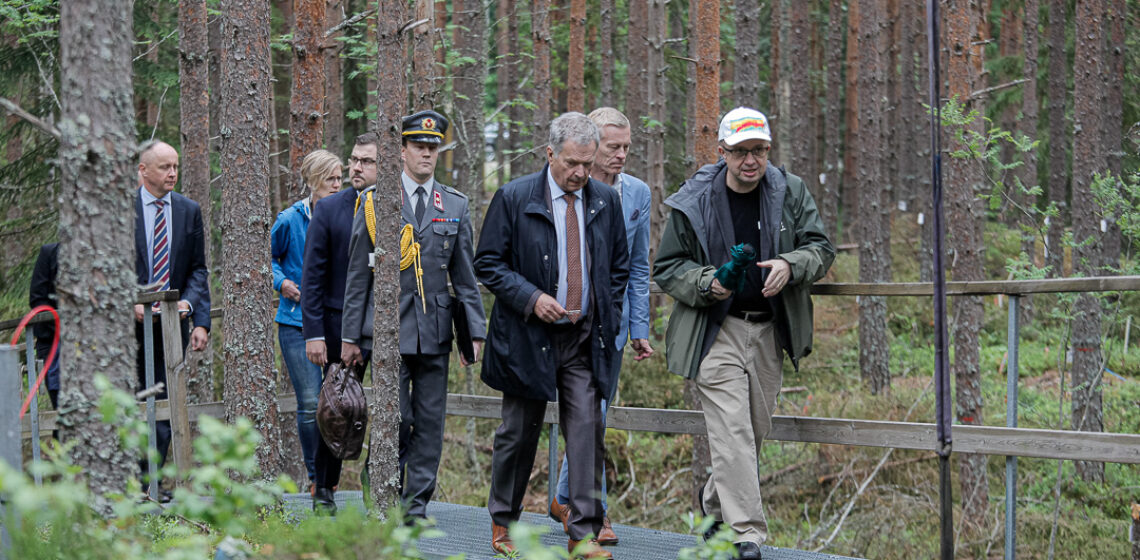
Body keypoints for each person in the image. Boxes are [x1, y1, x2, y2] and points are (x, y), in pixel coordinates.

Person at [653, 107, 834, 560]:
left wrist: (792, 265)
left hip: (770, 331)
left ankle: (712, 504)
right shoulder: (695, 199)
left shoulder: (789, 191)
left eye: (759, 151)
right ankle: (748, 535)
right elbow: (668, 267)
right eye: (740, 152)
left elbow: (821, 248)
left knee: (752, 431)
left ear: (769, 150)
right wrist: (708, 283)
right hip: (716, 331)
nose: (750, 160)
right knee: (734, 429)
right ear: (722, 152)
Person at [476, 112, 629, 560]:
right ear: (549, 154)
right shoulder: (513, 196)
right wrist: (531, 297)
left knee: (586, 432)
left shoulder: (604, 201)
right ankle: (503, 523)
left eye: (587, 162)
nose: (580, 172)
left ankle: (582, 534)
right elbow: (488, 264)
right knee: (517, 434)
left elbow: (618, 267)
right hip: (527, 338)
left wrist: (607, 312)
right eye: (571, 163)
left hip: (583, 339)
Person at [340, 110, 486, 522]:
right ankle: (380, 491)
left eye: (432, 147)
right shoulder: (376, 202)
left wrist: (475, 330)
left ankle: (416, 506)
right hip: (388, 330)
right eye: (419, 147)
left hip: (436, 331)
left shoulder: (453, 203)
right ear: (402, 150)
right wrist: (351, 337)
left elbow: (464, 273)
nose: (426, 154)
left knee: (430, 425)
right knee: (396, 419)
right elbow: (356, 275)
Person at [550, 107, 653, 546]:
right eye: (613, 147)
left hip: (612, 323)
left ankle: (568, 499)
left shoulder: (638, 194)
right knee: (584, 414)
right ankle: (590, 507)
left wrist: (639, 327)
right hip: (564, 318)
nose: (621, 155)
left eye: (627, 147)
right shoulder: (570, 188)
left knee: (596, 414)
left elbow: (637, 266)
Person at [301, 132, 379, 512]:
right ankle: (325, 488)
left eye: (366, 161)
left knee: (403, 412)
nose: (355, 167)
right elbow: (311, 278)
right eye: (353, 159)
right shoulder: (330, 209)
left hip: (392, 328)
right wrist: (314, 333)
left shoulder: (402, 209)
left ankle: (380, 480)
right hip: (336, 329)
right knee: (334, 409)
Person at [133, 140, 211, 481]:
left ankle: (149, 480)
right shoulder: (121, 210)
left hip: (171, 325)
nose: (173, 173)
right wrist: (128, 300)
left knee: (166, 402)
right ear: (143, 170)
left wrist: (196, 315)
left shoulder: (187, 210)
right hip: (127, 327)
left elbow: (198, 269)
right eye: (165, 167)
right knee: (128, 401)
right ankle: (126, 482)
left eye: (175, 166)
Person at [271, 149, 343, 494]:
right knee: (310, 401)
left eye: (340, 178)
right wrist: (282, 282)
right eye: (330, 179)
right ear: (313, 181)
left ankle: (330, 476)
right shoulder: (289, 220)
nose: (337, 185)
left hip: (334, 323)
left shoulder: (347, 214)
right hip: (295, 323)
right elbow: (265, 258)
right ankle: (316, 478)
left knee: (336, 402)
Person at [29, 242, 60, 411]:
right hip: (53, 344)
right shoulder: (50, 253)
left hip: (91, 345)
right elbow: (37, 299)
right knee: (62, 407)